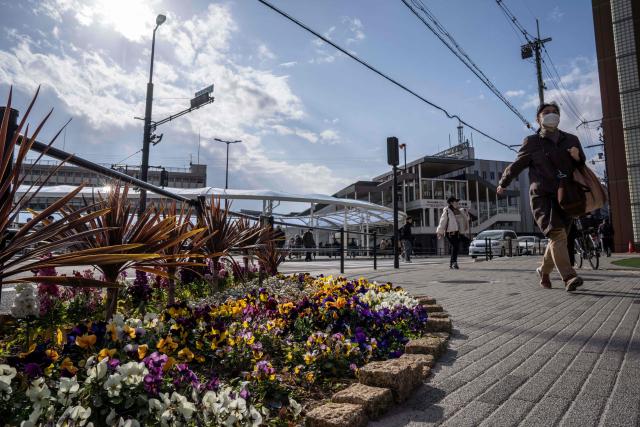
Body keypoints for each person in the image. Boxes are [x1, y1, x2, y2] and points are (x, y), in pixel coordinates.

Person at [497, 102, 586, 291]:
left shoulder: (571, 139)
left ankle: (543, 271)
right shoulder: (532, 142)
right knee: (557, 233)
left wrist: (577, 157)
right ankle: (569, 277)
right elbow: (516, 165)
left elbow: (581, 165)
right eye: (546, 112)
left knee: (558, 239)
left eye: (555, 112)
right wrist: (503, 183)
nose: (551, 115)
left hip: (567, 196)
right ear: (538, 118)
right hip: (542, 196)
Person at [436, 197, 470, 269]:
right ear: (451, 203)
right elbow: (442, 221)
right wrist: (440, 232)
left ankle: (452, 263)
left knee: (465, 242)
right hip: (450, 233)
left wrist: (466, 214)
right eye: (456, 201)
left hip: (458, 233)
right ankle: (454, 262)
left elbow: (466, 220)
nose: (457, 203)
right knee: (455, 247)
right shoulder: (447, 211)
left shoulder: (459, 210)